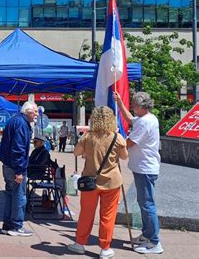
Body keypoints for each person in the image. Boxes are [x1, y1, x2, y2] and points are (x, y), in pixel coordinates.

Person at [67, 106, 128, 258]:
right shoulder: (117, 137)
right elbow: (124, 156)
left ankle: (80, 244)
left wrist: (89, 153)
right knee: (107, 216)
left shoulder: (88, 136)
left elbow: (76, 152)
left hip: (90, 182)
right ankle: (105, 248)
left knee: (86, 214)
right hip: (111, 182)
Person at [114, 91, 163, 254]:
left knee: (147, 204)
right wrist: (120, 103)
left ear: (142, 106)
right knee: (144, 202)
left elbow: (129, 142)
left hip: (145, 168)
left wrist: (114, 141)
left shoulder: (144, 123)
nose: (133, 107)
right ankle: (148, 235)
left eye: (134, 105)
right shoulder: (148, 118)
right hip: (144, 167)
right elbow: (129, 119)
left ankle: (154, 241)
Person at [0, 101, 38, 237]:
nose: (37, 115)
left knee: (10, 194)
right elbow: (19, 149)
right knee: (19, 196)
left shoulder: (15, 120)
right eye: (35, 111)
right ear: (28, 112)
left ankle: (7, 224)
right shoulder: (21, 124)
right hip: (15, 166)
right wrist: (19, 171)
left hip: (8, 165)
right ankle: (16, 226)